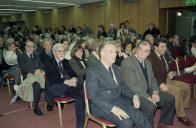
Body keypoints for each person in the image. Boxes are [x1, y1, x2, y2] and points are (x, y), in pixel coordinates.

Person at [86, 42, 151, 128]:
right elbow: (94, 97)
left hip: (119, 101)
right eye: (111, 51)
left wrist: (134, 96)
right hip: (103, 106)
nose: (115, 54)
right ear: (102, 53)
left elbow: (123, 87)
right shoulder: (93, 71)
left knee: (139, 116)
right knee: (127, 123)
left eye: (115, 52)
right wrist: (113, 109)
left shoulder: (116, 68)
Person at [121, 40, 175, 128]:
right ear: (136, 49)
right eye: (140, 49)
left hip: (148, 91)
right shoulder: (127, 62)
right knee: (150, 106)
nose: (142, 52)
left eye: (146, 51)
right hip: (134, 95)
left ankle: (163, 123)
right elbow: (132, 86)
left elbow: (153, 79)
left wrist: (155, 92)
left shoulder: (148, 62)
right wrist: (148, 98)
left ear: (149, 53)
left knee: (170, 98)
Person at [148, 38, 194, 126]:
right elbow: (151, 75)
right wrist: (160, 84)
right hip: (158, 83)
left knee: (186, 87)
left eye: (165, 46)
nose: (164, 49)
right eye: (162, 47)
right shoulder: (150, 58)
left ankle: (178, 109)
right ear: (155, 47)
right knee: (176, 90)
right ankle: (181, 115)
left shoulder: (164, 55)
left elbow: (168, 67)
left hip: (167, 79)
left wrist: (171, 72)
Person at [44, 43, 85, 128]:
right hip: (56, 86)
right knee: (81, 91)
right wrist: (67, 82)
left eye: (63, 51)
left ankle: (80, 125)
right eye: (59, 51)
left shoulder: (65, 61)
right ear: (54, 52)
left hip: (68, 87)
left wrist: (74, 79)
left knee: (79, 93)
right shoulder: (48, 62)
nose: (62, 53)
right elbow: (53, 79)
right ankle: (88, 107)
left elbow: (73, 73)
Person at [17, 41, 45, 116]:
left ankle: (50, 102)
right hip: (28, 76)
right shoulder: (21, 56)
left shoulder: (36, 54)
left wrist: (41, 70)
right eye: (29, 46)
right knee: (37, 85)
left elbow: (42, 65)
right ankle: (36, 107)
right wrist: (34, 71)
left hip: (39, 75)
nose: (31, 48)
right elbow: (23, 67)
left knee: (50, 80)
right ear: (25, 47)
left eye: (32, 46)